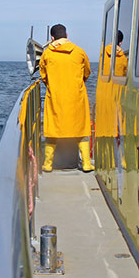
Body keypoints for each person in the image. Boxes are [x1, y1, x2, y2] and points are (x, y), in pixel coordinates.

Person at [39, 24, 94, 172]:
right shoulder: (79, 52)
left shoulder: (47, 54)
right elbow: (87, 73)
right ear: (67, 35)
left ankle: (48, 164)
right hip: (77, 96)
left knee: (52, 130)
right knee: (81, 129)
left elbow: (43, 76)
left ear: (52, 38)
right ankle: (87, 163)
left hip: (55, 97)